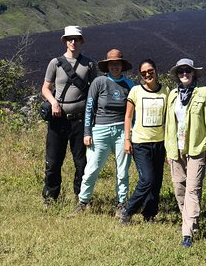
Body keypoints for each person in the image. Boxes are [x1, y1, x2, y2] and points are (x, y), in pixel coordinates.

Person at [72, 49, 135, 217]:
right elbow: (89, 108)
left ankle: (121, 203)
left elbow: (134, 112)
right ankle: (83, 201)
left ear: (122, 65)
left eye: (117, 64)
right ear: (107, 66)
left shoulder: (130, 85)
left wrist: (132, 134)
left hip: (122, 131)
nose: (115, 67)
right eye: (111, 64)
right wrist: (87, 132)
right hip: (100, 130)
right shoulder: (99, 82)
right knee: (92, 168)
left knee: (123, 170)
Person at [41, 26, 97, 207]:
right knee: (53, 161)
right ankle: (50, 198)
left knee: (81, 162)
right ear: (65, 41)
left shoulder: (89, 64)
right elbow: (45, 88)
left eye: (76, 38)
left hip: (80, 121)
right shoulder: (55, 63)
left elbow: (94, 91)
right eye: (69, 39)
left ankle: (81, 198)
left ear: (81, 41)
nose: (73, 42)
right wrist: (54, 103)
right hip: (58, 120)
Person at [164, 58, 206, 248]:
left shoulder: (204, 93)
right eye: (181, 71)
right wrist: (169, 150)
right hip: (176, 149)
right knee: (179, 188)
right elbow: (169, 124)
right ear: (177, 75)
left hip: (197, 148)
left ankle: (187, 233)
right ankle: (190, 221)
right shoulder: (173, 95)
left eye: (188, 71)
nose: (184, 74)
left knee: (193, 189)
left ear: (194, 73)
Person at [119, 59, 170, 224]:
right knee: (147, 179)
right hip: (141, 143)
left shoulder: (166, 91)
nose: (147, 74)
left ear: (156, 70)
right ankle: (128, 210)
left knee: (156, 181)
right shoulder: (135, 91)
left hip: (160, 142)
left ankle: (149, 214)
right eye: (143, 73)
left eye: (150, 71)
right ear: (140, 75)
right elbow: (128, 116)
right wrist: (127, 139)